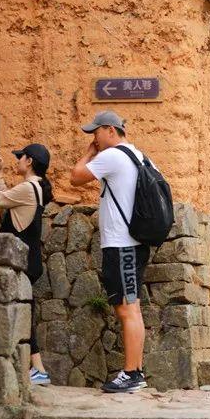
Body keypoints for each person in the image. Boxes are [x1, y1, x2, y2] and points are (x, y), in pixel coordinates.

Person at [70, 111, 152, 393]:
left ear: (110, 130)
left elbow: (75, 178)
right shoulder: (138, 155)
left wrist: (87, 154)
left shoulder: (113, 155)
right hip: (131, 243)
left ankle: (131, 373)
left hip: (122, 244)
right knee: (131, 306)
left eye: (96, 132)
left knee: (127, 308)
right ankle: (136, 371)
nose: (94, 137)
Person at [0, 144, 53, 386]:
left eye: (20, 157)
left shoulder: (28, 188)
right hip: (30, 260)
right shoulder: (35, 188)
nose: (18, 160)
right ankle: (38, 369)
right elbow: (9, 201)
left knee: (24, 317)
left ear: (30, 161)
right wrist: (1, 173)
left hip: (21, 263)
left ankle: (38, 370)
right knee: (26, 316)